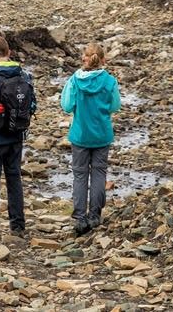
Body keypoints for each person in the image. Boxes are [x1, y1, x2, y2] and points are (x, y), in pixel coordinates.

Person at [0, 34, 36, 236]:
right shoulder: (25, 76)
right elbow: (32, 105)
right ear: (9, 52)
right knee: (14, 178)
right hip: (16, 135)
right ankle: (18, 225)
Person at [60, 42, 121, 235]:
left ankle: (79, 216)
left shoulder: (75, 80)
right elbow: (114, 106)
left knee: (79, 174)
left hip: (80, 134)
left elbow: (67, 106)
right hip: (101, 134)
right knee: (99, 173)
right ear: (103, 60)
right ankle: (95, 215)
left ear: (85, 59)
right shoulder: (110, 81)